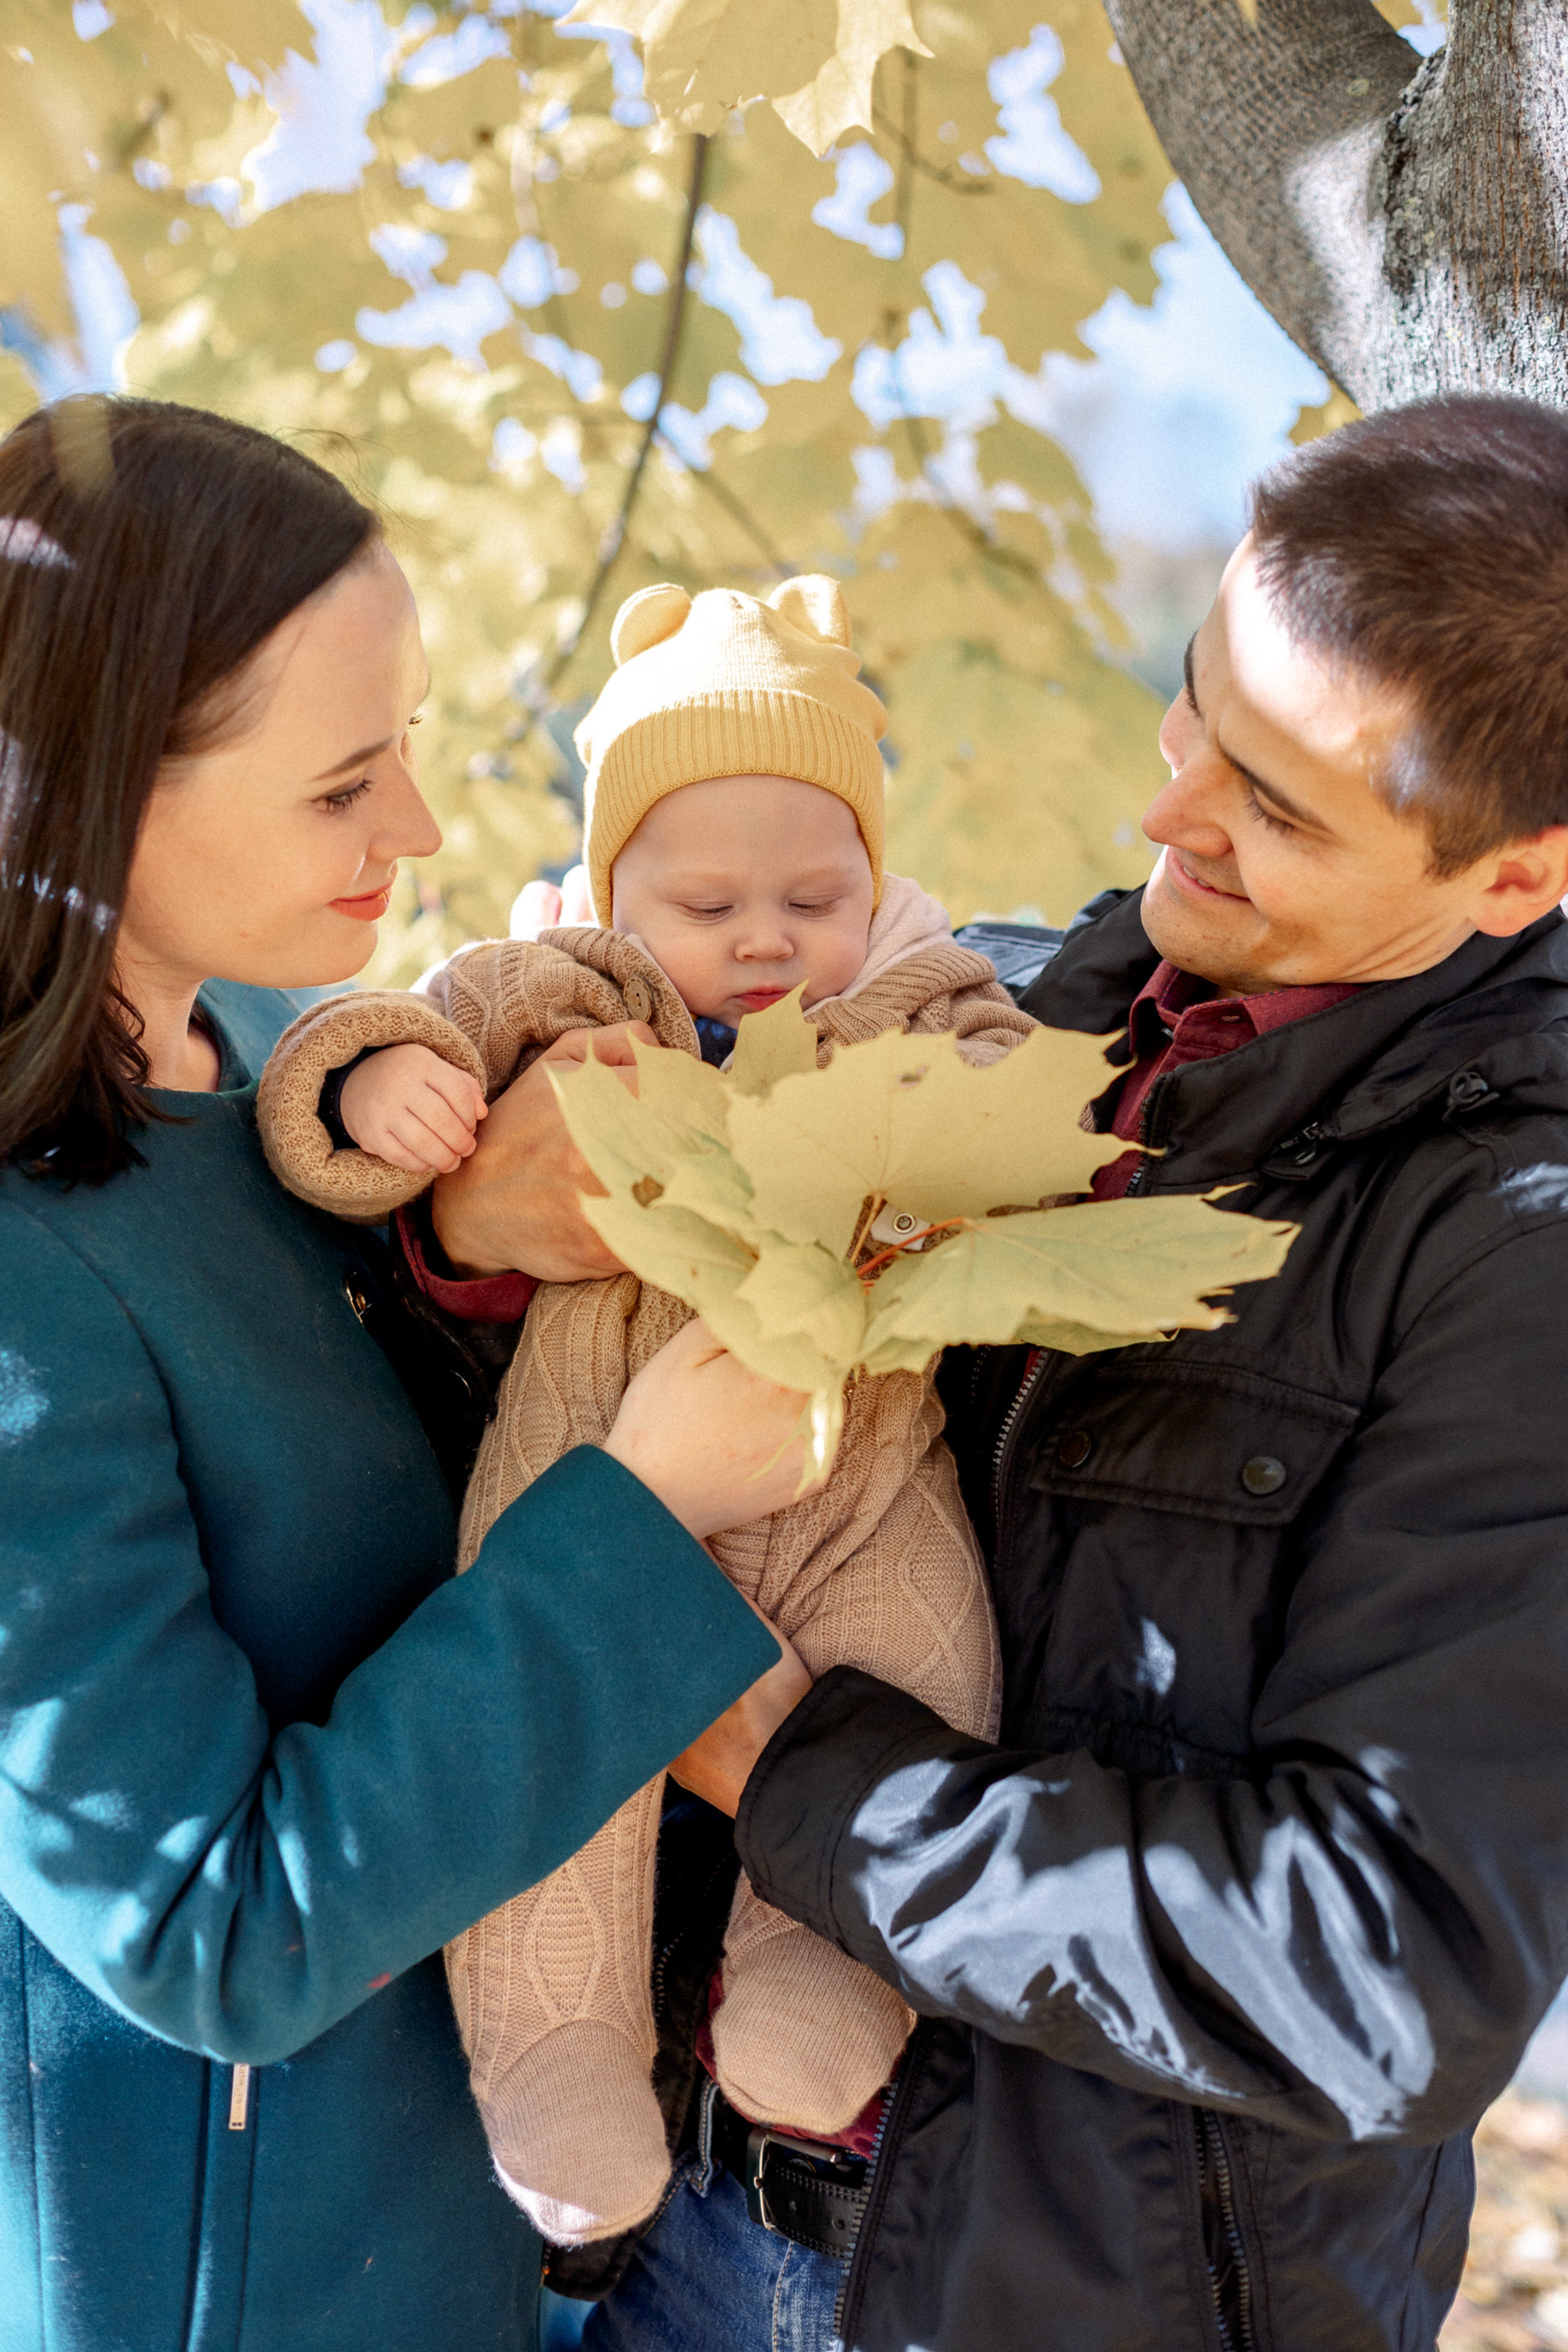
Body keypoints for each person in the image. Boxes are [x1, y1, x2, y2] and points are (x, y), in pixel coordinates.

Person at [431, 394, 1568, 2352]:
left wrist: (776, 1762)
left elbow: (1380, 1967)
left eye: (1276, 808)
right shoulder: (987, 1009)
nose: (1165, 817)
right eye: (1192, 709)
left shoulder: (1511, 1253)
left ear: (1512, 877)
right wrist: (475, 1233)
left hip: (1041, 2296)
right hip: (663, 2215)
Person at [0, 394, 816, 2352]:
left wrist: (457, 1244)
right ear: (100, 783)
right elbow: (205, 1934)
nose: (424, 834)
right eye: (341, 784)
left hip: (476, 2217)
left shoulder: (289, 1065)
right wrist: (647, 1505)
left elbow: (336, 1468)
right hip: (241, 2281)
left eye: (415, 751)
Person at [252, 572, 1031, 2252]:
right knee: (567, 1761)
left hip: (856, 1481)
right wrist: (382, 1088)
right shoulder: (574, 995)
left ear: (874, 887)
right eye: (707, 900)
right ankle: (557, 2053)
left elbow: (1020, 1087)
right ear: (615, 891)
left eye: (815, 894)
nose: (764, 937)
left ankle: (816, 1978)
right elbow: (358, 1034)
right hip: (595, 1462)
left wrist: (961, 1144)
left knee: (922, 1666)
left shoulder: (910, 998)